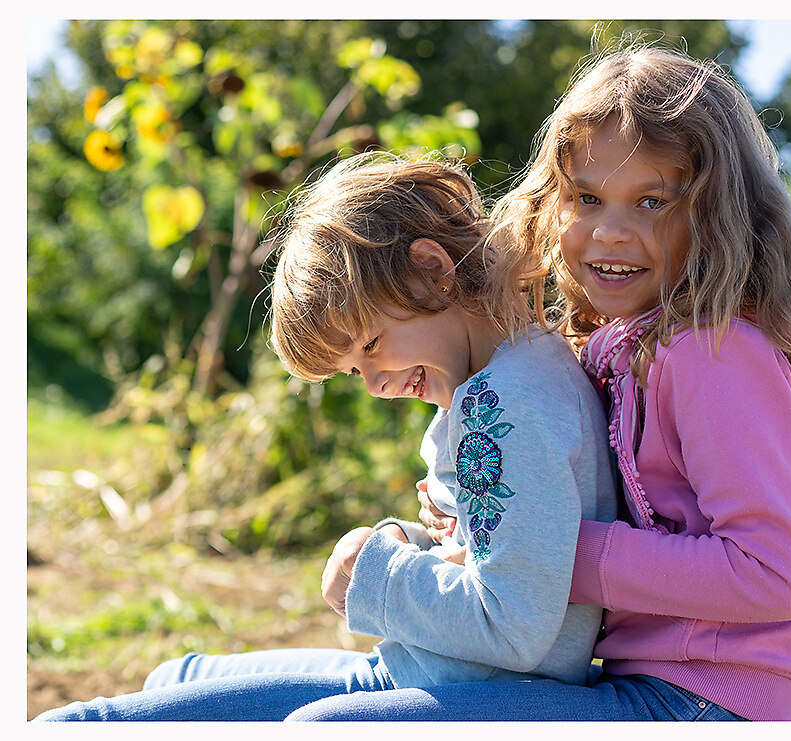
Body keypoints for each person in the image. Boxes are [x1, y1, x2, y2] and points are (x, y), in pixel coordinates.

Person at [307, 43, 791, 722]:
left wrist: (551, 550)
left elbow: (775, 574)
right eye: (587, 197)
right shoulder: (629, 344)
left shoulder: (716, 356)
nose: (611, 231)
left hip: (706, 698)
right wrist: (494, 530)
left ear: (716, 213)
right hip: (657, 679)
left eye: (650, 200)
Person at [33, 154, 618, 721]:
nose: (376, 386)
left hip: (461, 687)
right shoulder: (507, 377)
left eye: (370, 346)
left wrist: (372, 570)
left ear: (433, 270)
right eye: (352, 371)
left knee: (88, 726)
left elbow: (510, 623)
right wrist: (404, 539)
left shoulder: (506, 403)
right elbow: (499, 552)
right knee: (175, 680)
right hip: (433, 669)